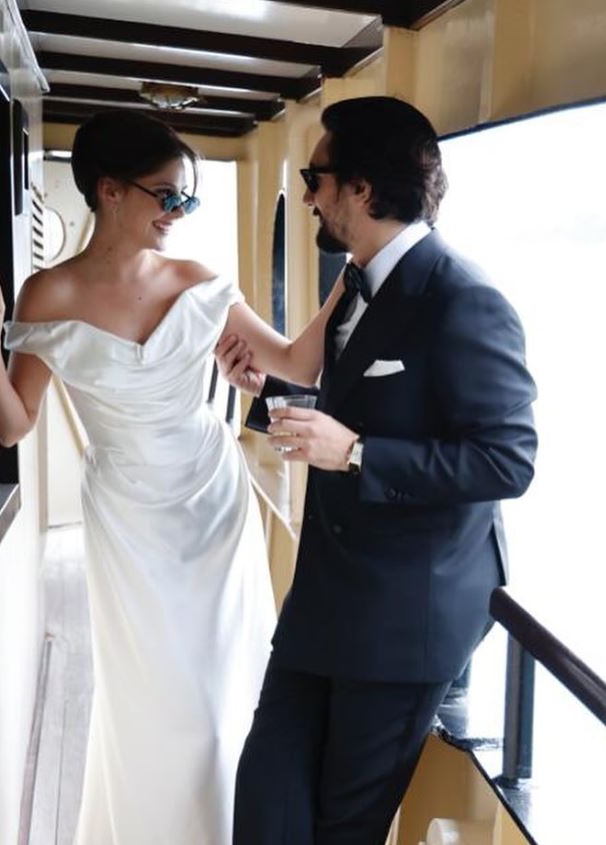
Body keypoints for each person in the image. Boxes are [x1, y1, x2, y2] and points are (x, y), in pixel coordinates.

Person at [0, 110, 348, 845]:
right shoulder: (46, 295)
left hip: (211, 501)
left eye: (188, 198)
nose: (179, 213)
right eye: (167, 195)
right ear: (110, 190)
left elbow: (299, 363)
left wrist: (361, 267)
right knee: (152, 702)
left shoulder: (199, 283)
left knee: (219, 696)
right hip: (125, 516)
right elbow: (13, 423)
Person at [217, 96, 538, 844]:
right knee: (264, 802)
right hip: (323, 602)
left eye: (315, 179)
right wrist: (267, 391)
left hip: (402, 622)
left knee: (342, 829)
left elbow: (507, 459)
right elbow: (360, 397)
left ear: (361, 189)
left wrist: (357, 451)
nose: (307, 197)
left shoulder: (464, 299)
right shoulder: (356, 280)